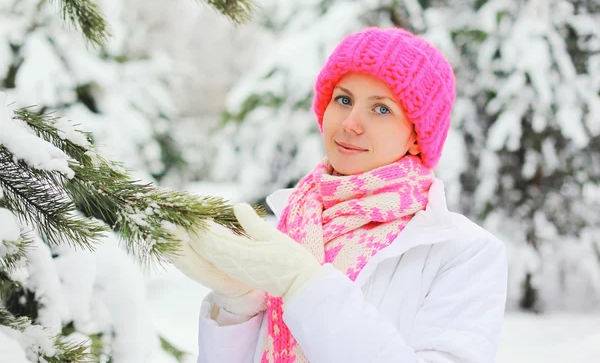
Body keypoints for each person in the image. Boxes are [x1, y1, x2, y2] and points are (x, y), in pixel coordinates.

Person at [169, 27, 508, 363]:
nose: (350, 123)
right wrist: (237, 308)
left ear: (417, 137)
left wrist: (308, 287)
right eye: (343, 100)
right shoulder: (295, 223)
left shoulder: (465, 253)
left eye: (382, 109)